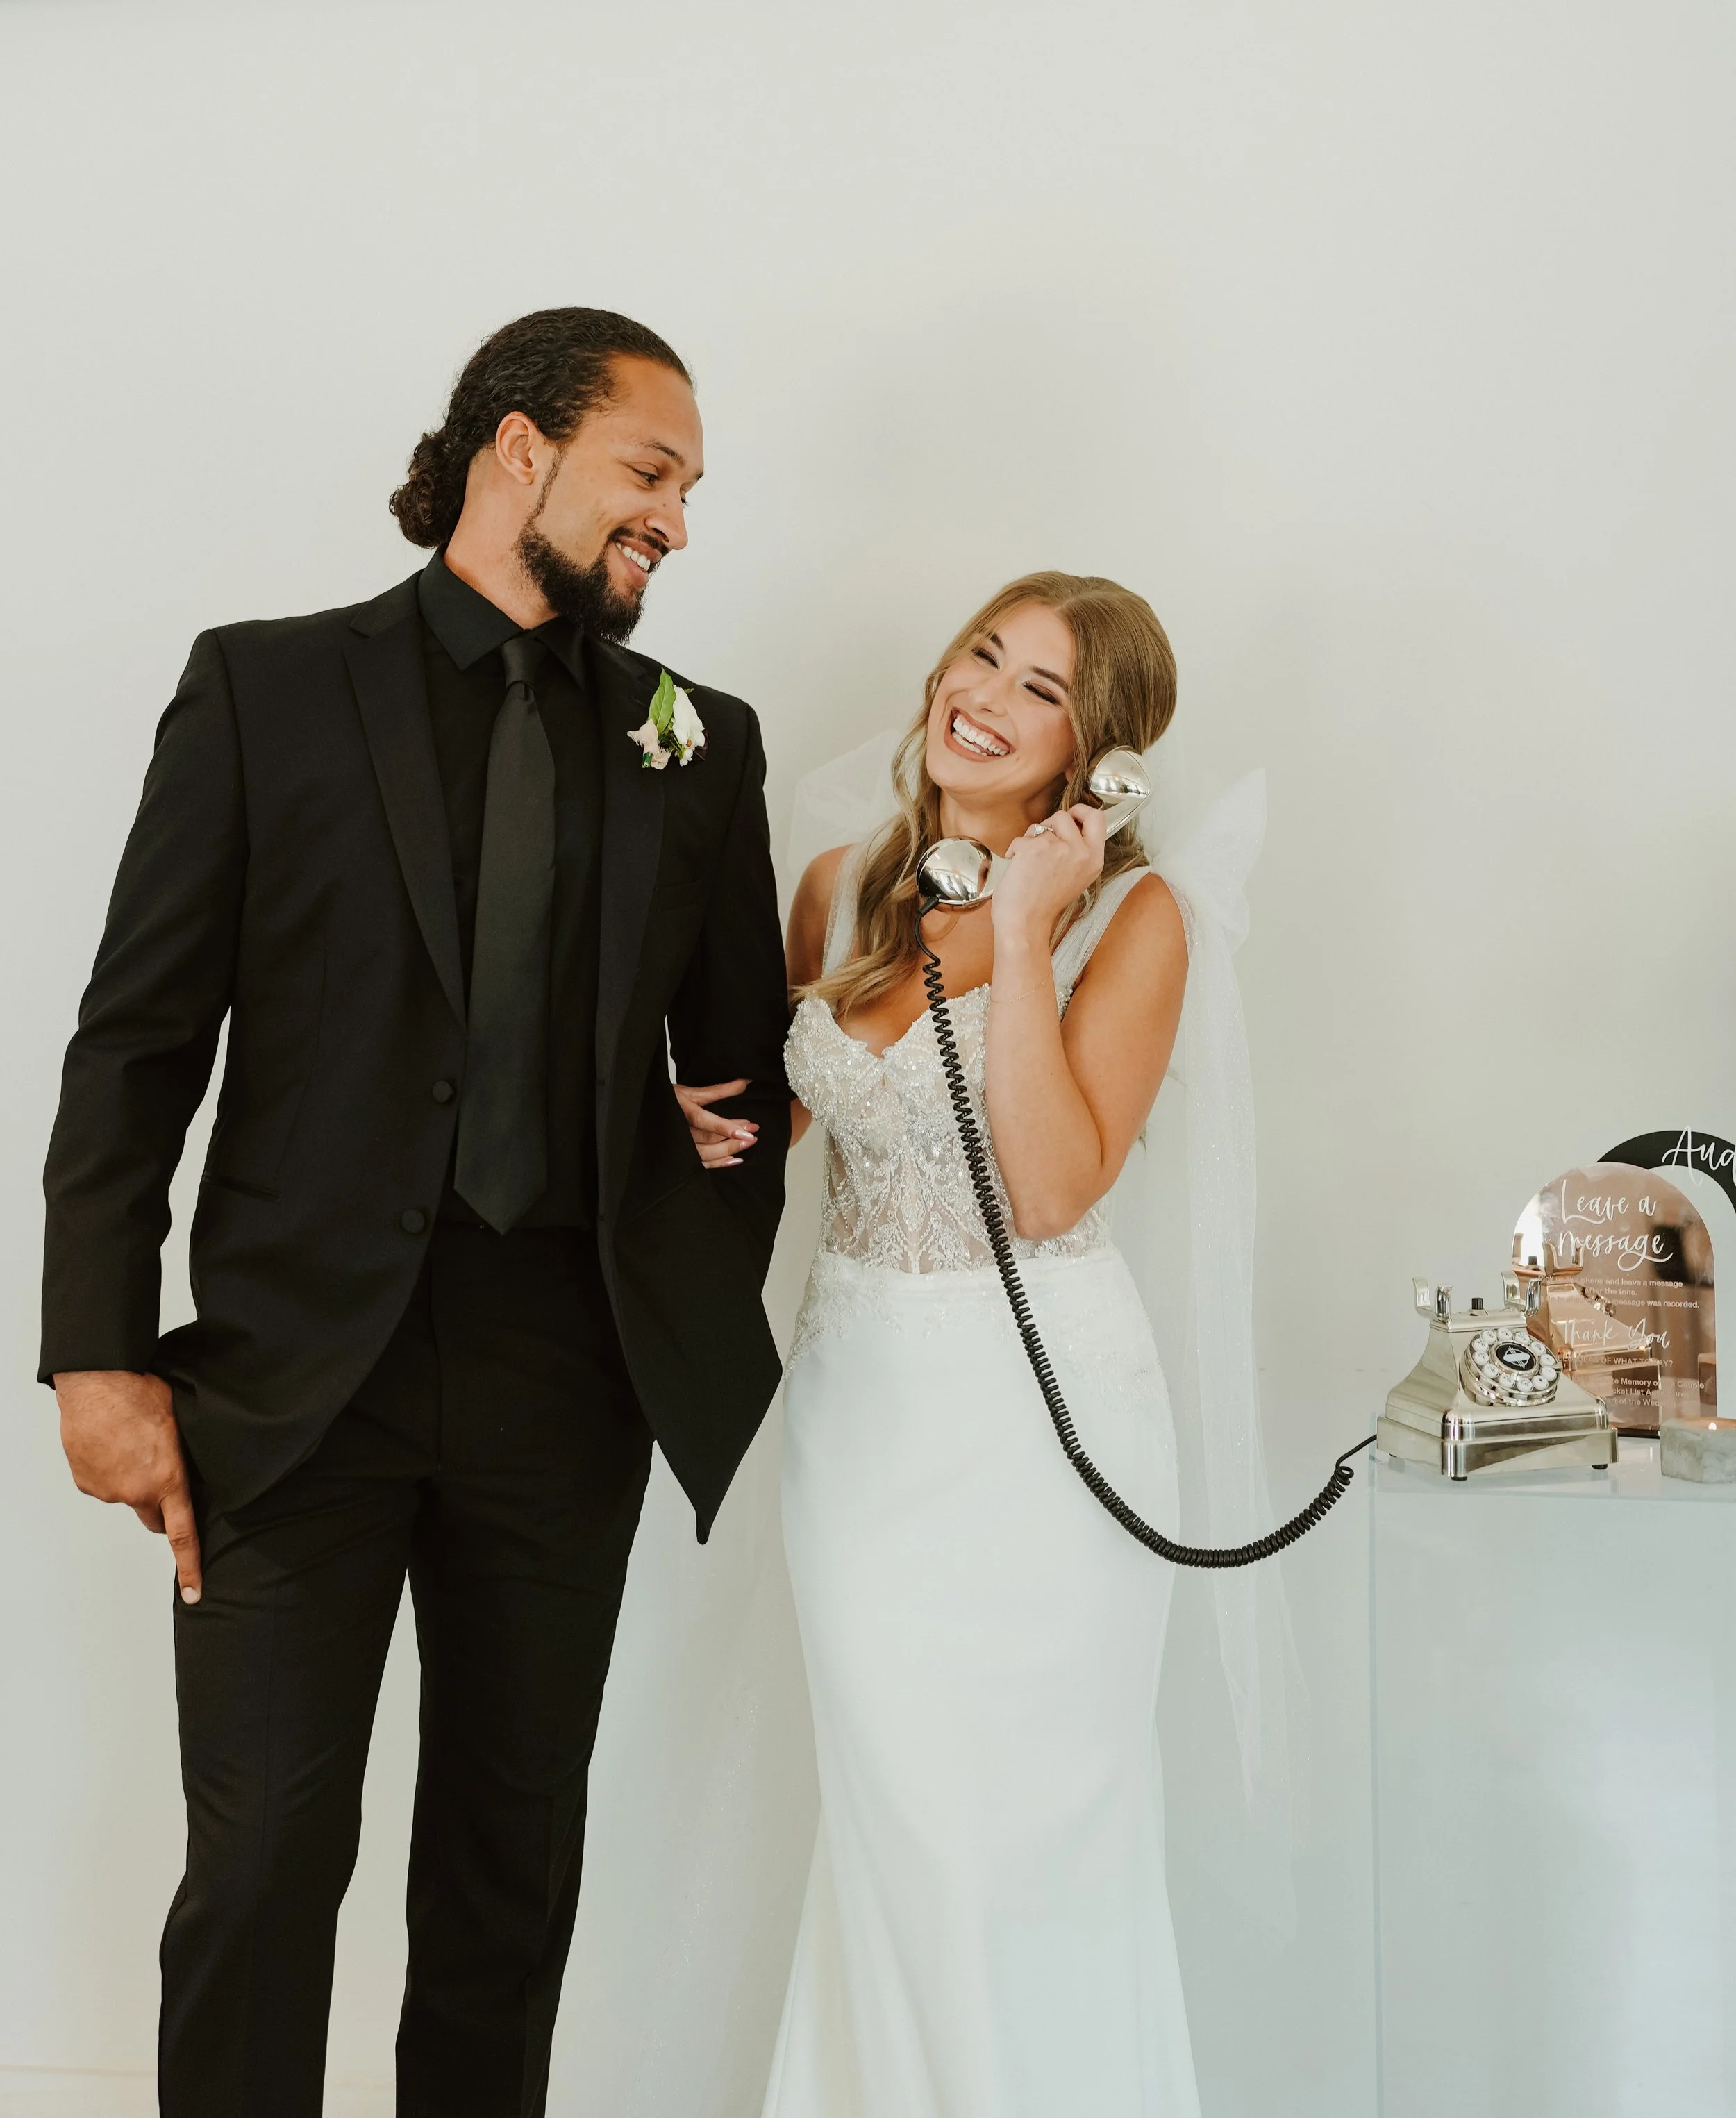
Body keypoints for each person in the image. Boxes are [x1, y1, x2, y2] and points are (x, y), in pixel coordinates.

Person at [40, 306, 791, 2118]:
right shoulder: (264, 689)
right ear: (516, 448)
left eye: (690, 490)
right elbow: (138, 1041)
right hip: (293, 1383)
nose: (676, 521)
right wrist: (94, 1355)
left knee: (506, 1884)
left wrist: (686, 1175)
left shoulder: (698, 737)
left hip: (565, 1380)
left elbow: (742, 1080)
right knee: (265, 1867)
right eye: (650, 471)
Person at [680, 570, 1212, 2114]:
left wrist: (1033, 927)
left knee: (1030, 1832)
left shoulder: (1132, 914)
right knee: (898, 1818)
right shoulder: (846, 885)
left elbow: (1048, 1184)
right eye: (982, 654)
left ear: (1092, 758)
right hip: (862, 1418)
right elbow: (778, 1125)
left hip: (1044, 1427)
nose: (981, 694)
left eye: (1039, 690)